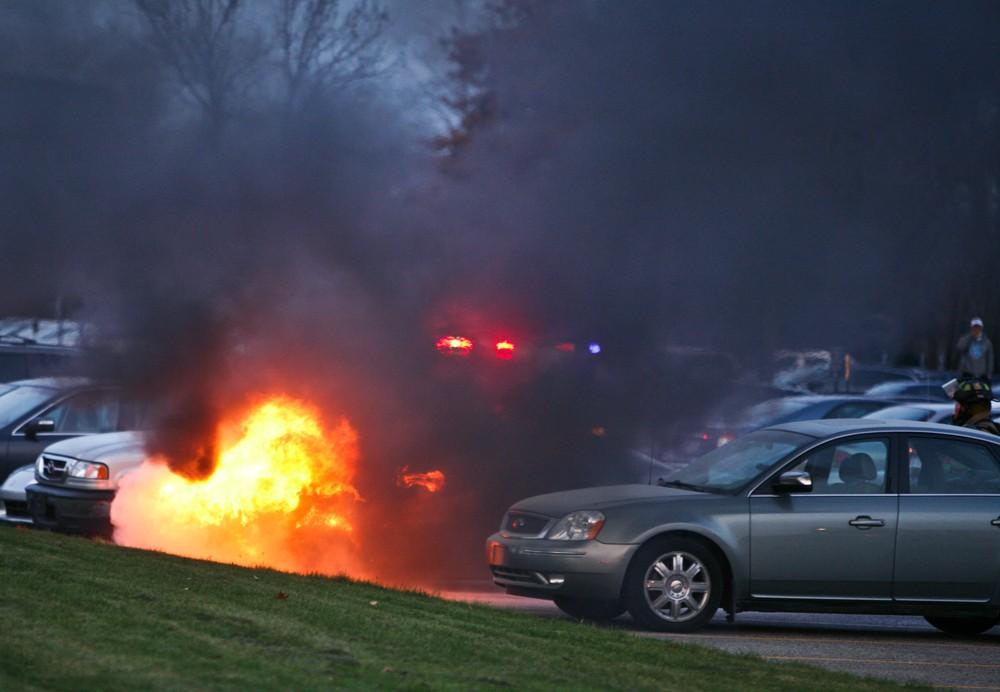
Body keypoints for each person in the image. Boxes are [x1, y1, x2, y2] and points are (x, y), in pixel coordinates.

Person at [956, 317, 994, 381]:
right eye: (974, 327)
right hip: (966, 374)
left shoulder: (987, 342)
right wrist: (970, 337)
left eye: (978, 327)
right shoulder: (966, 339)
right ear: (971, 328)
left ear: (981, 328)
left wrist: (989, 373)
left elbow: (990, 359)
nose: (976, 329)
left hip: (982, 376)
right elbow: (960, 347)